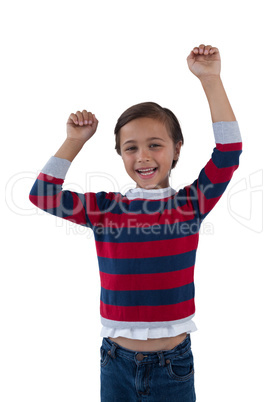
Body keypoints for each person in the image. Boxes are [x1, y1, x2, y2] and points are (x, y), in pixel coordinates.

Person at [29, 44, 243, 401]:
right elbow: (41, 194)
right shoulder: (104, 209)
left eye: (155, 145)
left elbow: (229, 150)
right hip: (115, 363)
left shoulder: (191, 203)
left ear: (176, 149)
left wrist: (210, 80)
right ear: (120, 155)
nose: (142, 156)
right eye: (131, 148)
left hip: (173, 366)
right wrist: (74, 141)